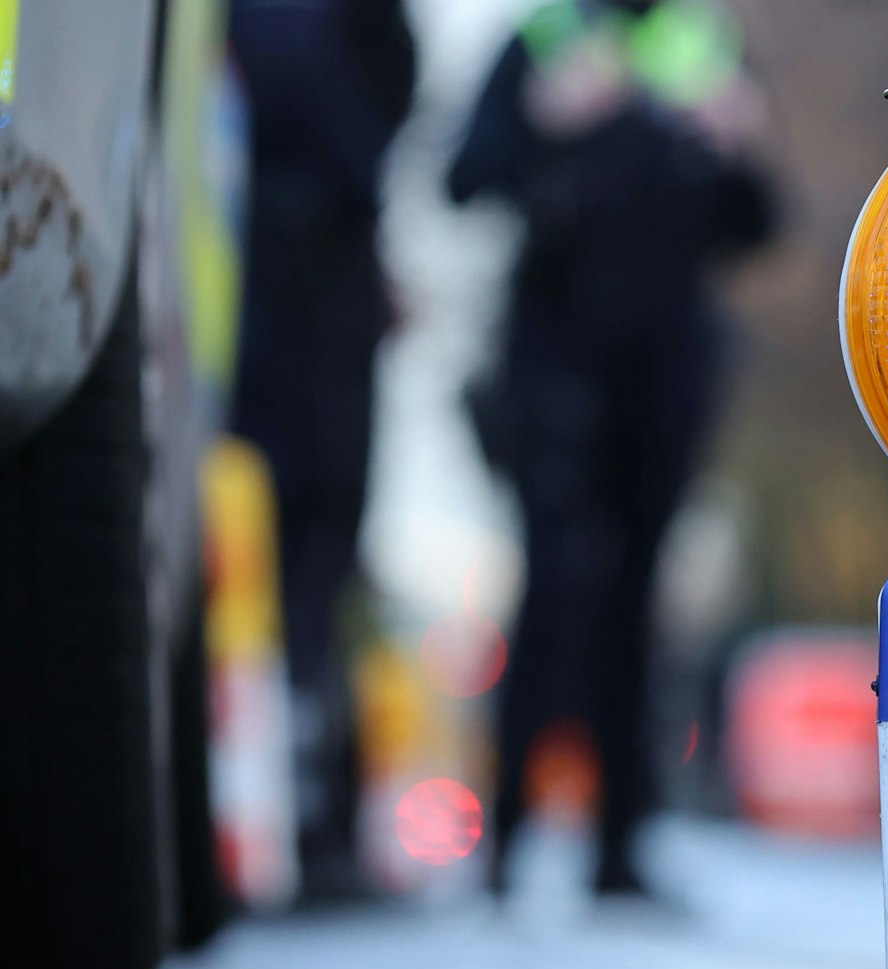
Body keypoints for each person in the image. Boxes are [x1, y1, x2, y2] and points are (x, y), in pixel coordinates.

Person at [446, 0, 774, 897]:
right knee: (554, 591)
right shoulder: (542, 43)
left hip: (665, 372)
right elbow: (464, 179)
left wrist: (738, 144)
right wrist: (545, 123)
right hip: (555, 365)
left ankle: (620, 846)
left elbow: (754, 224)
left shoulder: (704, 50)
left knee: (636, 597)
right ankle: (506, 835)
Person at [229, 0, 415, 901]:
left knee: (298, 574)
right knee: (302, 568)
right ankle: (305, 824)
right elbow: (352, 94)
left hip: (286, 282)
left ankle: (303, 819)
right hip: (297, 297)